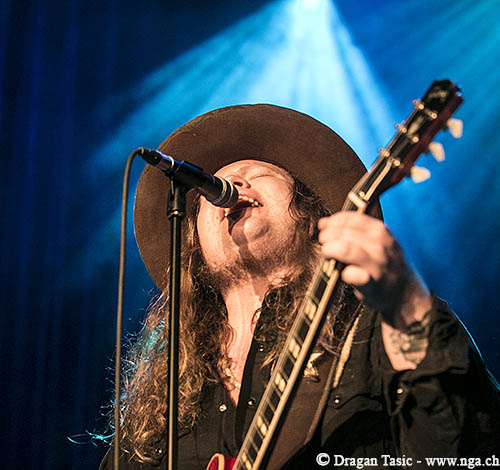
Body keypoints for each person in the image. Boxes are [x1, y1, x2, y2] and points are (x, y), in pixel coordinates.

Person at [100, 104, 500, 469]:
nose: (232, 183)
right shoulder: (165, 400)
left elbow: (471, 452)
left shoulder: (378, 329)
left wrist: (409, 306)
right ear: (196, 247)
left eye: (259, 175)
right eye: (213, 187)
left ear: (310, 218)